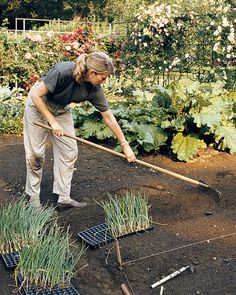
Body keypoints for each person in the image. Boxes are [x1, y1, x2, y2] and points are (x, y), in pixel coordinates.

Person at [24, 52, 136, 208]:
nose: (104, 81)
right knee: (36, 154)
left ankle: (63, 197)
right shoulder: (63, 71)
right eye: (103, 77)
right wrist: (53, 122)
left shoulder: (94, 89)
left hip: (61, 109)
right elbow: (36, 95)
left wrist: (125, 145)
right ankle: (33, 198)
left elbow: (108, 116)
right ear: (92, 73)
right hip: (38, 106)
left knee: (69, 151)